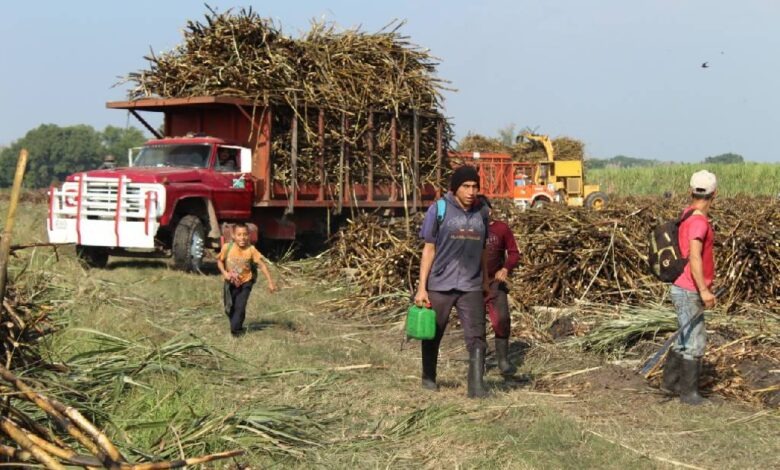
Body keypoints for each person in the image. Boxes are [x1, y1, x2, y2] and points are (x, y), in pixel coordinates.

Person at [415, 165, 490, 398]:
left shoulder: (483, 212)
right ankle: (429, 377)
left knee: (477, 337)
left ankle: (476, 388)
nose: (471, 191)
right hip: (440, 284)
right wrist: (422, 288)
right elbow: (429, 249)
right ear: (455, 188)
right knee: (433, 333)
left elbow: (484, 250)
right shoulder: (438, 209)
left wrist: (486, 280)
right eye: (466, 186)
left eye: (475, 186)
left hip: (471, 285)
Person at [663, 170, 717, 405]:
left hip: (681, 286)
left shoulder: (686, 214)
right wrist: (704, 289)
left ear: (690, 191)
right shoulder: (698, 222)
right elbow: (694, 257)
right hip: (689, 288)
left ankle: (671, 384)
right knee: (694, 341)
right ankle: (689, 394)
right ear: (715, 194)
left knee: (684, 337)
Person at [477, 195, 521, 376]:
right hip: (474, 284)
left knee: (502, 319)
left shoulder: (501, 228)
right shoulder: (468, 231)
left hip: (495, 283)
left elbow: (513, 253)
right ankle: (478, 362)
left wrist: (505, 268)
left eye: (483, 209)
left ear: (490, 210)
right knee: (476, 325)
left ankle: (503, 360)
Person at [217, 223, 276, 336]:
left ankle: (236, 330)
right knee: (229, 307)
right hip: (230, 283)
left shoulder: (251, 250)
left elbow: (262, 265)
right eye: (239, 234)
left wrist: (270, 283)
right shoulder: (227, 247)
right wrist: (225, 273)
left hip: (246, 282)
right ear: (233, 236)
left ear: (249, 235)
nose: (242, 237)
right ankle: (236, 323)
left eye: (245, 234)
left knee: (241, 305)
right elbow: (219, 261)